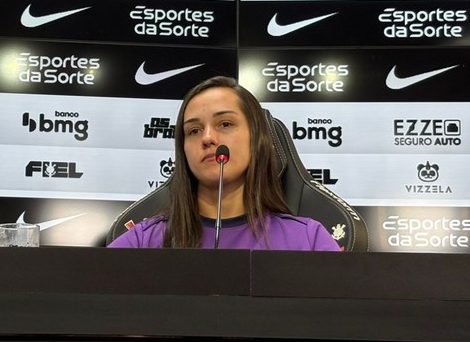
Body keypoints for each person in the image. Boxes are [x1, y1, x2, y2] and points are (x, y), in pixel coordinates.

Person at [109, 76, 341, 251]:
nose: (208, 138)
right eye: (194, 130)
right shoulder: (143, 241)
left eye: (225, 124)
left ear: (257, 139)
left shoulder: (309, 240)